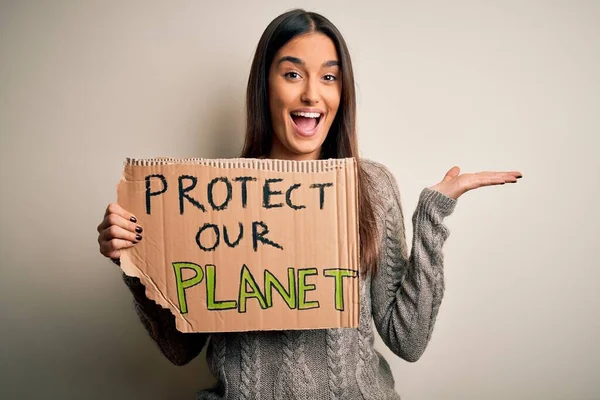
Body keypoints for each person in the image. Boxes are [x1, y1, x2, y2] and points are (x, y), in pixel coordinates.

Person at [97, 9, 522, 399]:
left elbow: (408, 341)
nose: (312, 95)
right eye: (293, 74)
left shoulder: (371, 185)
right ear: (265, 84)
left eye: (329, 77)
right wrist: (136, 262)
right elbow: (179, 349)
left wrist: (432, 217)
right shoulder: (211, 194)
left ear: (343, 91)